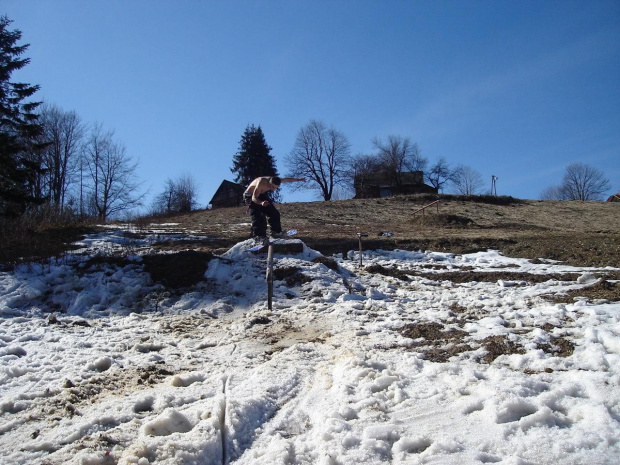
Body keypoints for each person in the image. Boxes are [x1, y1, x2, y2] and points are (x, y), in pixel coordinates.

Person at [243, 176, 305, 242]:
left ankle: (276, 232)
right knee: (259, 215)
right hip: (250, 196)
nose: (273, 189)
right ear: (269, 183)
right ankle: (259, 236)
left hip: (260, 195)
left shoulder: (276, 180)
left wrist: (298, 179)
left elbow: (286, 179)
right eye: (272, 187)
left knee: (274, 213)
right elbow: (254, 198)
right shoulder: (262, 182)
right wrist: (261, 203)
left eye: (276, 187)